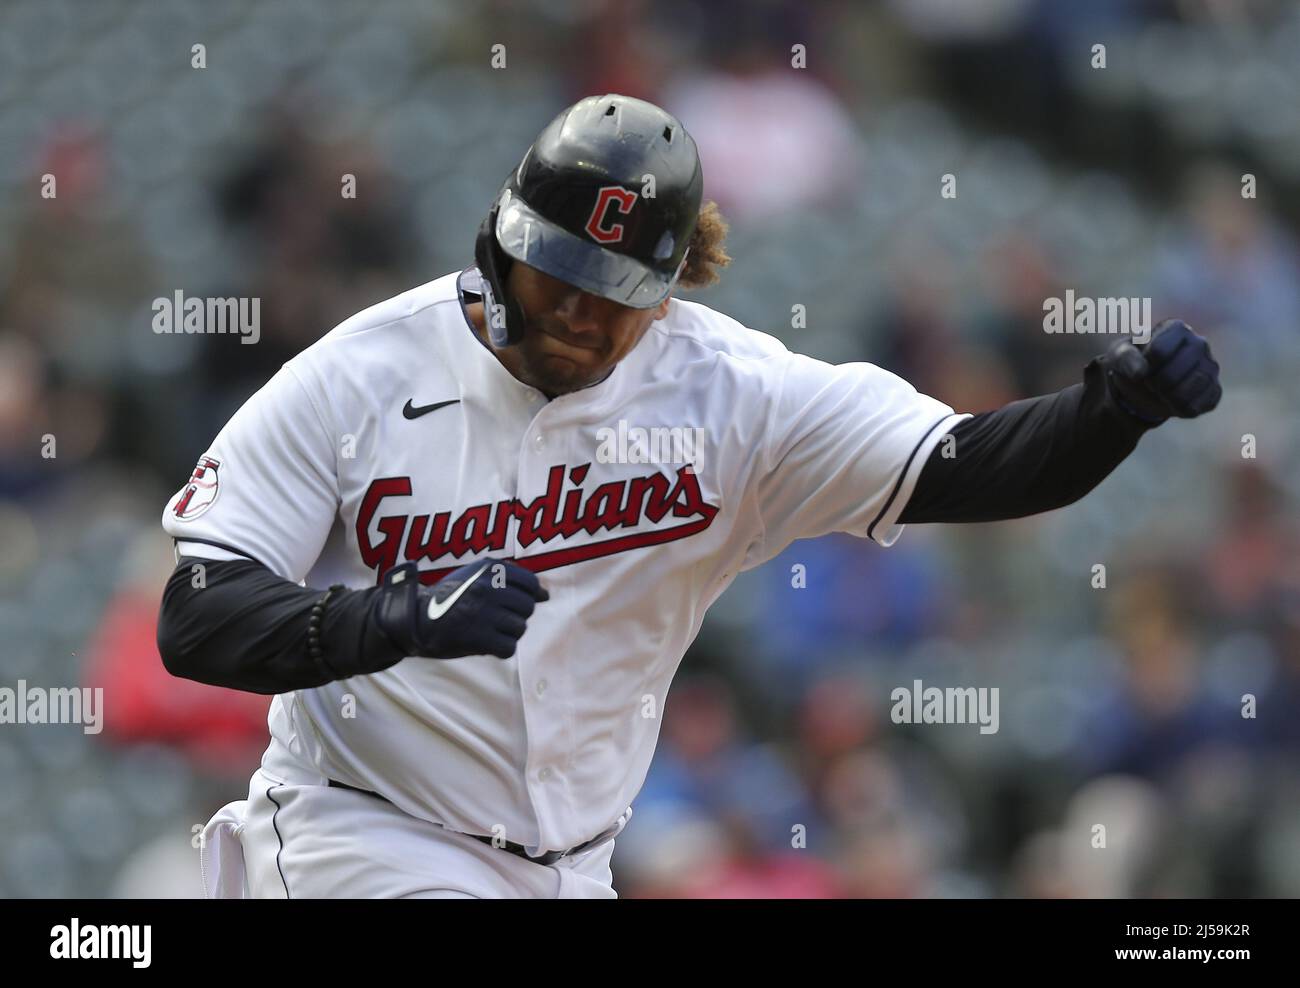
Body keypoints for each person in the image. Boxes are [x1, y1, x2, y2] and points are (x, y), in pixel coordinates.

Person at [155, 94, 1221, 899]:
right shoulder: (361, 375)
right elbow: (196, 613)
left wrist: (1108, 411)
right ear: (499, 246)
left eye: (612, 295)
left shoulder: (730, 396)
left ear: (665, 295)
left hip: (576, 864)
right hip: (362, 834)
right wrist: (387, 616)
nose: (578, 313)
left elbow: (969, 464)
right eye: (556, 277)